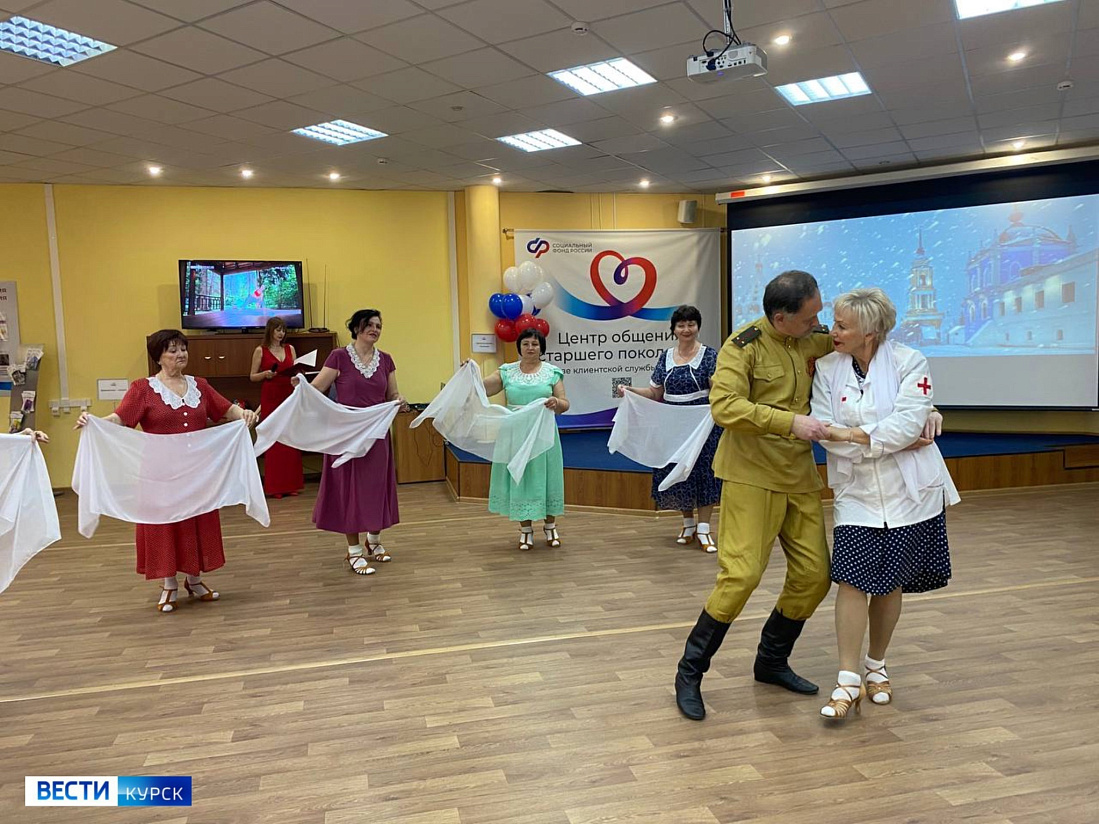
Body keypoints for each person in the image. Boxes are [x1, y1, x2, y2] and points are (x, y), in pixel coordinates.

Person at [673, 271, 946, 721]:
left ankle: (771, 660)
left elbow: (878, 367)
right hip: (751, 475)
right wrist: (791, 422)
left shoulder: (815, 340)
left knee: (815, 577)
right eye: (812, 317)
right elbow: (724, 407)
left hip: (798, 475)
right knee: (741, 575)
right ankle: (690, 672)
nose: (822, 326)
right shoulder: (743, 347)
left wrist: (928, 408)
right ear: (781, 318)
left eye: (825, 317)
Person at [812, 288, 958, 721]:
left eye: (843, 326)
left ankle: (876, 665)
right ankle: (847, 679)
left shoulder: (911, 362)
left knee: (890, 582)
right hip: (856, 491)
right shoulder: (826, 368)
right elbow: (824, 429)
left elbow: (909, 424)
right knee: (851, 580)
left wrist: (854, 435)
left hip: (908, 492)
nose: (833, 331)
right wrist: (876, 439)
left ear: (870, 332)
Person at [75, 329, 258, 613]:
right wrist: (94, 422)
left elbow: (224, 409)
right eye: (172, 350)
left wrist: (243, 413)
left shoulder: (200, 385)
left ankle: (194, 580)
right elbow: (120, 419)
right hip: (159, 474)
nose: (180, 354)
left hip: (197, 471)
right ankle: (168, 583)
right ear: (158, 357)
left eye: (183, 348)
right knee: (163, 525)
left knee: (197, 520)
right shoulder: (143, 389)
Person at [308, 309, 408, 576]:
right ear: (356, 328)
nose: (375, 329)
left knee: (375, 487)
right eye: (369, 325)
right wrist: (300, 388)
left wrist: (399, 400)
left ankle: (374, 541)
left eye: (378, 325)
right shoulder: (339, 356)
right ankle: (353, 551)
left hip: (376, 433)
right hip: (346, 434)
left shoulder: (386, 360)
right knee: (349, 489)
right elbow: (317, 388)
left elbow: (392, 393)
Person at [619, 305, 721, 551]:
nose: (686, 329)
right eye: (681, 325)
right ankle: (687, 524)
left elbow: (718, 390)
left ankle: (704, 529)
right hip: (673, 424)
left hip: (703, 426)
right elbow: (655, 392)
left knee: (704, 473)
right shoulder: (665, 357)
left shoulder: (709, 356)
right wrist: (630, 390)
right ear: (673, 329)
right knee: (677, 471)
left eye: (691, 324)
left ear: (698, 327)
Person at [482, 328, 569, 549]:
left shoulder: (552, 372)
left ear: (541, 348)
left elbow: (564, 403)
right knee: (519, 477)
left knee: (546, 477)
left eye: (535, 344)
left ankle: (550, 527)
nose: (530, 348)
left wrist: (556, 403)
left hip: (543, 434)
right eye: (526, 344)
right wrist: (470, 372)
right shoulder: (506, 371)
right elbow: (483, 387)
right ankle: (526, 529)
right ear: (519, 347)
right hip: (515, 434)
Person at [250, 317, 303, 498]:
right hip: (271, 395)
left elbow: (296, 370)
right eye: (278, 330)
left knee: (290, 437)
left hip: (288, 394)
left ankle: (292, 484)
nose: (281, 333)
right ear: (270, 331)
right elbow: (252, 376)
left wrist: (299, 376)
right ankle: (275, 487)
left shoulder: (290, 349)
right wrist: (265, 374)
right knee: (274, 439)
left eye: (283, 330)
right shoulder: (260, 350)